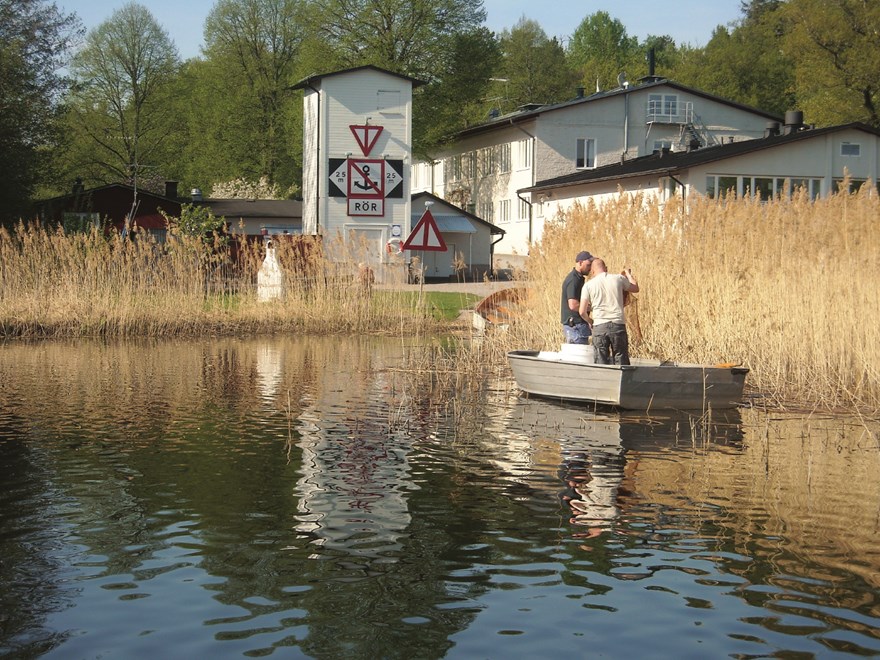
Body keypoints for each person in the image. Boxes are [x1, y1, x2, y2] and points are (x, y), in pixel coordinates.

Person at [578, 258, 639, 365]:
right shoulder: (618, 278)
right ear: (606, 268)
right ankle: (621, 380)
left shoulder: (588, 285)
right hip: (618, 324)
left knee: (601, 361)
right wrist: (628, 275)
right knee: (621, 359)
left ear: (592, 271)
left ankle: (603, 380)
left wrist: (591, 321)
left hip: (599, 326)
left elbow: (582, 311)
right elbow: (635, 288)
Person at [560, 250, 594, 344]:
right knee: (578, 356)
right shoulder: (574, 280)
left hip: (577, 326)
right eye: (588, 265)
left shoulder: (578, 278)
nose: (590, 268)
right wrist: (593, 308)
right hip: (575, 327)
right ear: (580, 263)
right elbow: (573, 305)